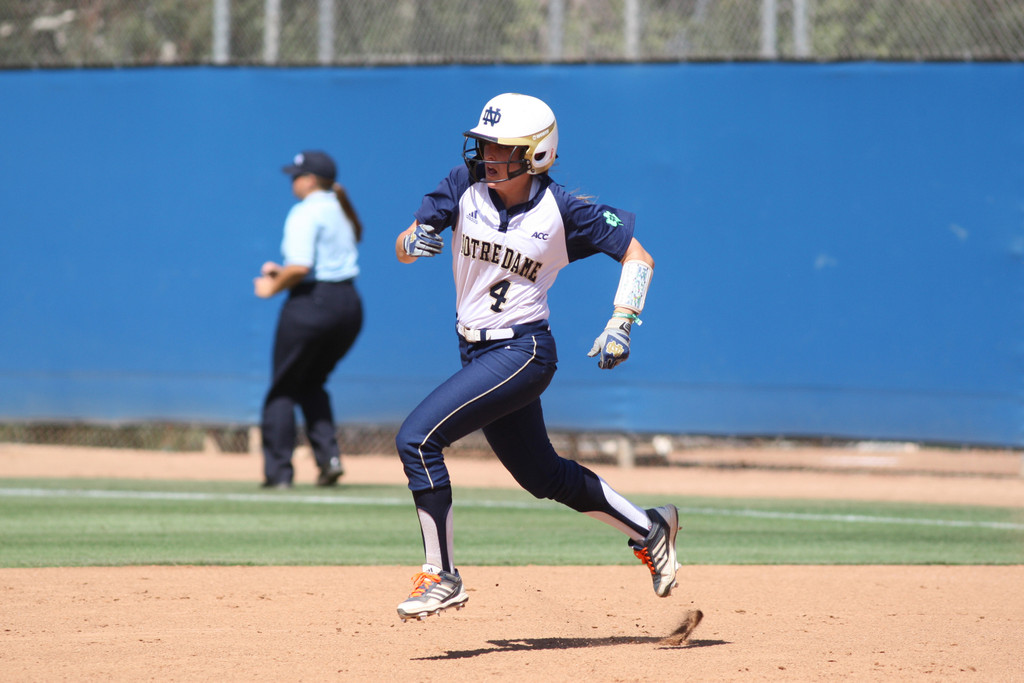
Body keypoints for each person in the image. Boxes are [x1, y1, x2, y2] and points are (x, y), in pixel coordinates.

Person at [392, 93, 678, 622]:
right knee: (542, 477)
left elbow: (639, 255)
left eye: (501, 148)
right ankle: (650, 528)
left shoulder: (563, 210)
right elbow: (404, 245)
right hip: (475, 350)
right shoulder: (462, 185)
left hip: (522, 351)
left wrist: (622, 320)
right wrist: (416, 241)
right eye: (484, 145)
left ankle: (442, 576)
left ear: (537, 154)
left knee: (417, 439)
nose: (486, 156)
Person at [254, 150, 364, 489]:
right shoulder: (340, 209)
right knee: (312, 384)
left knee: (283, 388)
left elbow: (301, 267)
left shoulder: (305, 211)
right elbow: (354, 237)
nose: (293, 181)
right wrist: (282, 272)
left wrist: (272, 286)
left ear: (310, 180)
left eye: (296, 175)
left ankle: (279, 474)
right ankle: (329, 459)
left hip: (311, 303)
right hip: (348, 304)